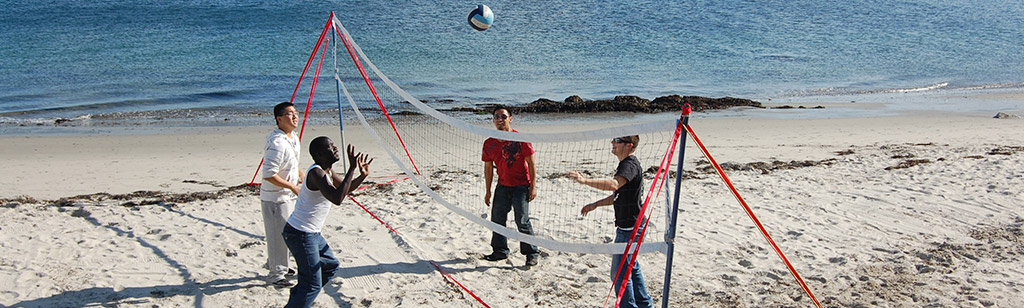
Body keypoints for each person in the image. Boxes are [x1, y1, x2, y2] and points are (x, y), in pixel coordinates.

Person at [283, 137, 372, 308]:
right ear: (319, 154)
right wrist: (352, 168)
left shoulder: (328, 171)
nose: (335, 148)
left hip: (312, 233)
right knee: (312, 285)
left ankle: (298, 295)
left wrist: (362, 175)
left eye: (334, 145)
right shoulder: (317, 173)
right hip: (299, 233)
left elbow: (345, 189)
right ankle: (299, 297)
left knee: (331, 265)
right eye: (331, 147)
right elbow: (337, 199)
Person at [568, 135, 653, 308]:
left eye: (617, 141)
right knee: (631, 267)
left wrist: (584, 181)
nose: (612, 143)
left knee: (619, 273)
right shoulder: (626, 164)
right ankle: (645, 304)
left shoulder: (629, 164)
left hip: (632, 227)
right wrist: (596, 204)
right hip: (629, 226)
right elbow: (619, 194)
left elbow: (614, 184)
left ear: (629, 145)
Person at [481, 107, 540, 267]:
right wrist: (488, 191)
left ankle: (531, 253)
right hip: (503, 185)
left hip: (521, 185)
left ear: (510, 119)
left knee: (522, 220)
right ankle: (500, 251)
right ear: (493, 120)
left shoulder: (520, 139)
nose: (500, 119)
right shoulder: (489, 143)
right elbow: (488, 168)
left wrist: (533, 186)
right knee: (497, 219)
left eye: (503, 116)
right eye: (497, 117)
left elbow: (531, 163)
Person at [259, 102, 305, 287]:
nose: (294, 117)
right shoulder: (277, 143)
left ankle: (277, 264)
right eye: (289, 114)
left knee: (287, 233)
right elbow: (269, 174)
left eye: (296, 113)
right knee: (278, 235)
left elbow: (292, 163)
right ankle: (275, 274)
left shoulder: (292, 137)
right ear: (279, 119)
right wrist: (293, 187)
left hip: (287, 195)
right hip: (275, 197)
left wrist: (302, 176)